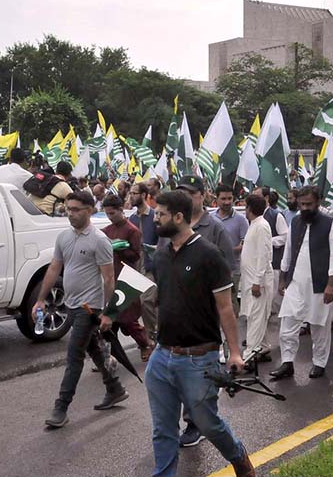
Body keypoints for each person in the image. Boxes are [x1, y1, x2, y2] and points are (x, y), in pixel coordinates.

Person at [145, 190, 253, 477]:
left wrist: (234, 352)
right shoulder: (162, 256)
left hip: (198, 359)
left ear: (179, 217)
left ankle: (239, 457)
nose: (155, 219)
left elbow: (225, 308)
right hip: (161, 357)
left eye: (161, 214)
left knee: (207, 424)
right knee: (163, 429)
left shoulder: (209, 255)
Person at [33, 191, 127, 428]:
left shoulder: (99, 240)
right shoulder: (64, 237)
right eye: (68, 209)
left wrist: (108, 312)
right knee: (94, 349)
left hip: (89, 306)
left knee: (74, 356)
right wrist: (40, 299)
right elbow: (54, 269)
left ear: (89, 210)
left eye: (76, 209)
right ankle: (115, 389)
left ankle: (60, 408)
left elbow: (108, 279)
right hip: (71, 304)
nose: (71, 214)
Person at [157, 175, 234, 447]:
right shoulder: (166, 237)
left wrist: (233, 348)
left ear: (202, 196)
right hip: (171, 332)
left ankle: (194, 424)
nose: (187, 197)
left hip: (205, 319)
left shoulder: (214, 230)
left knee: (201, 400)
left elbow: (227, 273)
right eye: (182, 192)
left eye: (191, 193)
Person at [270, 185, 333, 380]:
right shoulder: (295, 221)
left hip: (320, 284)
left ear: (318, 202)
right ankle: (287, 363)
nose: (304, 208)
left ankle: (319, 363)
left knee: (320, 327)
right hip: (295, 282)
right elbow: (289, 251)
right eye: (301, 204)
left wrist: (331, 284)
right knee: (287, 324)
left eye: (308, 204)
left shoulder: (331, 224)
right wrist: (283, 278)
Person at [101, 193, 152, 355]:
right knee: (109, 320)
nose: (110, 217)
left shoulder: (132, 230)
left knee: (127, 320)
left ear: (121, 210)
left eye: (112, 213)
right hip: (109, 278)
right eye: (107, 213)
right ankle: (108, 354)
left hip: (126, 280)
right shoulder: (106, 231)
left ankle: (145, 344)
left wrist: (122, 248)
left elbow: (136, 256)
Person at [239, 194, 274, 361]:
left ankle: (248, 358)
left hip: (258, 282)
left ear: (250, 209)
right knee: (256, 316)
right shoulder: (254, 224)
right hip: (250, 280)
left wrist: (257, 283)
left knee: (255, 319)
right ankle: (264, 347)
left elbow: (263, 256)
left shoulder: (261, 226)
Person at [129, 182, 160, 359]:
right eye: (130, 193)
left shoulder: (155, 216)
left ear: (143, 195)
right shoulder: (132, 219)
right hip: (136, 266)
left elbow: (164, 241)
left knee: (147, 300)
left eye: (134, 193)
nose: (131, 197)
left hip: (152, 266)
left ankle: (153, 337)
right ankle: (150, 338)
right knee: (139, 304)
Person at [212, 184, 249, 314]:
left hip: (233, 269)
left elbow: (246, 243)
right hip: (212, 268)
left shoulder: (241, 220)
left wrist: (227, 250)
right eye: (223, 199)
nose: (227, 202)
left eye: (229, 198)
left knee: (230, 304)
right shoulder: (210, 218)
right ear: (216, 199)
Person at [252, 186, 289, 313]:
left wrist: (268, 241)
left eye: (257, 196)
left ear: (266, 198)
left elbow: (285, 237)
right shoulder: (254, 215)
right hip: (257, 264)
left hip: (273, 263)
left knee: (273, 297)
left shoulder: (276, 215)